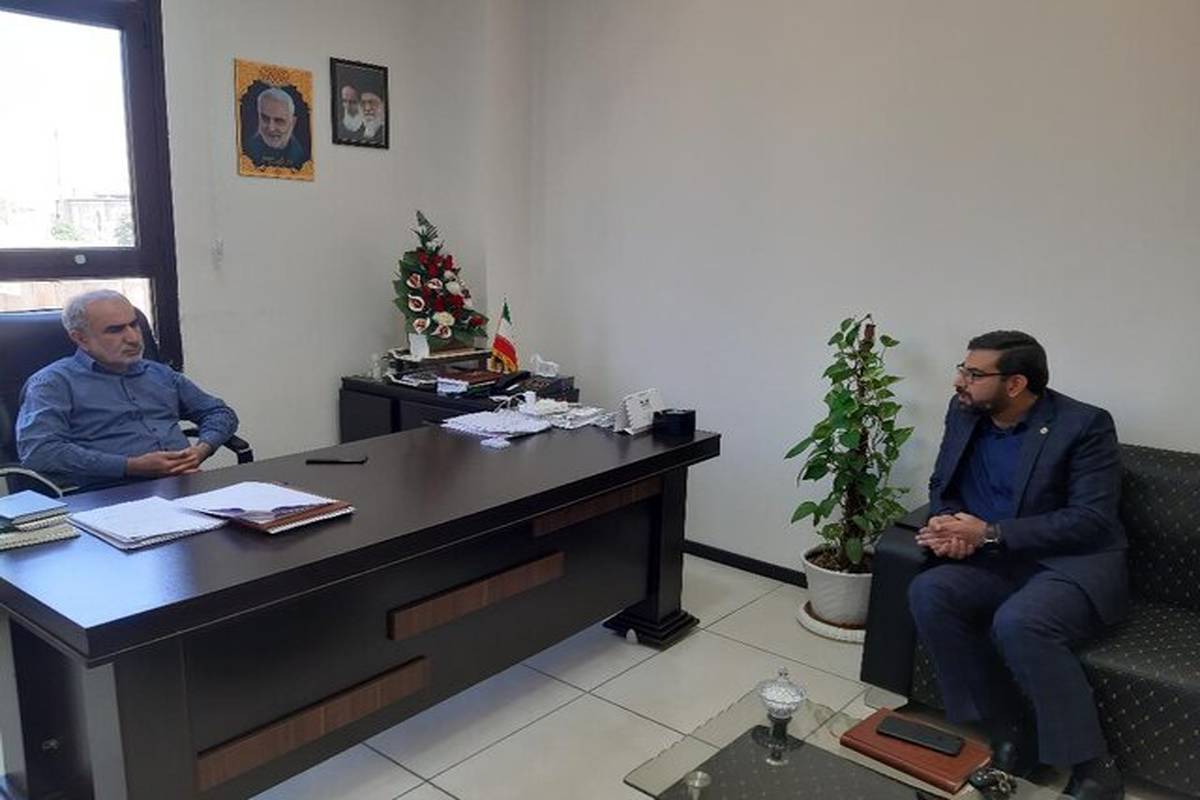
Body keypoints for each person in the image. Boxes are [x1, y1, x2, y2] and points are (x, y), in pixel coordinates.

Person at [908, 331, 1126, 800]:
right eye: (962, 369)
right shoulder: (964, 412)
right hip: (992, 561)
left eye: (973, 374)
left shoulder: (1084, 425)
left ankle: (1094, 767)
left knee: (1020, 621)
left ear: (1015, 384)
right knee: (929, 591)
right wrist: (947, 525)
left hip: (1065, 564)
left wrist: (990, 533)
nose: (959, 381)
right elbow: (943, 483)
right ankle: (1009, 729)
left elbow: (1091, 520)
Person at [16, 290, 239, 490]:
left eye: (134, 325)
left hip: (185, 483)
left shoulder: (160, 374)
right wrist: (130, 466)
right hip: (109, 495)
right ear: (81, 338)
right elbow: (39, 451)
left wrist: (202, 449)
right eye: (115, 330)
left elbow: (219, 413)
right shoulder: (52, 383)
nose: (133, 338)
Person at [244, 86, 307, 169]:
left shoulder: (301, 156)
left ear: (292, 122)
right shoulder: (247, 151)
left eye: (279, 121)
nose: (271, 128)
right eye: (265, 118)